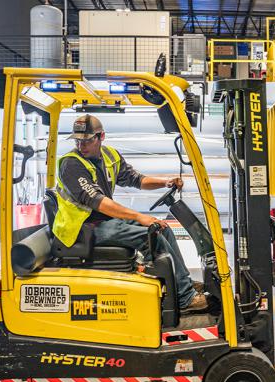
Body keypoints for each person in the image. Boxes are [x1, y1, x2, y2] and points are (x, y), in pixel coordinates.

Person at [52, 114, 207, 312]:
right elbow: (98, 202)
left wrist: (165, 182)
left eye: (87, 140)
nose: (81, 146)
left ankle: (182, 284)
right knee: (152, 237)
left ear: (101, 137)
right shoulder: (71, 164)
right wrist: (138, 216)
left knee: (163, 229)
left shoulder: (110, 156)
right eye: (78, 140)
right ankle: (185, 298)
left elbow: (136, 179)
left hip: (102, 222)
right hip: (81, 229)